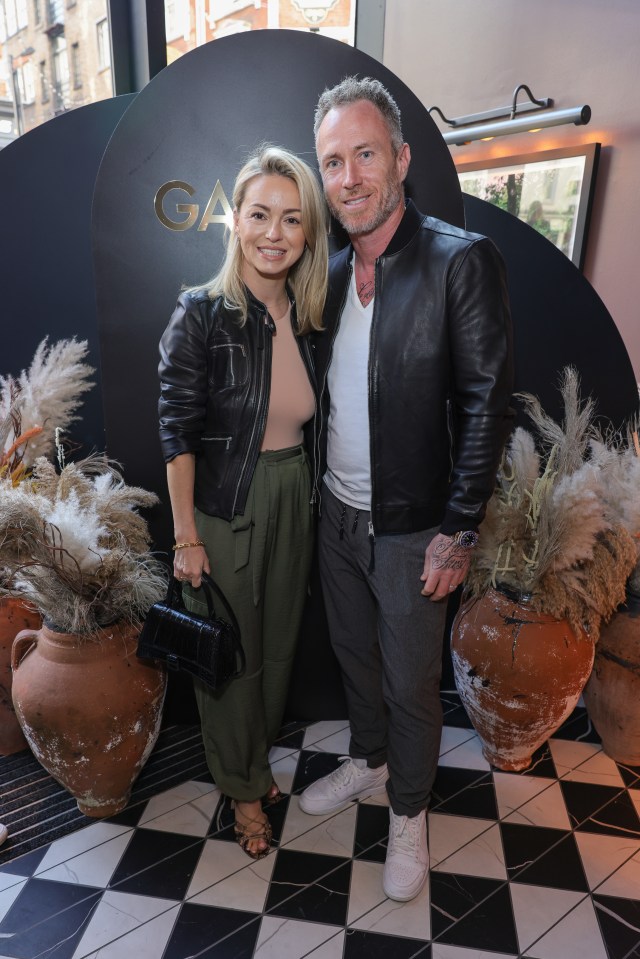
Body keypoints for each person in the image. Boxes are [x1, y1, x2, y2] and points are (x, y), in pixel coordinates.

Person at [299, 77, 514, 901]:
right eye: (332, 161)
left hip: (415, 528)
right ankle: (367, 757)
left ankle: (410, 813)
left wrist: (457, 530)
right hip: (338, 515)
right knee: (356, 659)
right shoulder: (325, 269)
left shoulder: (459, 261)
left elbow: (487, 402)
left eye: (363, 154)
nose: (348, 176)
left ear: (400, 158)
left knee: (409, 683)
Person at [158, 144, 328, 860]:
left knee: (279, 648)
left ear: (307, 233)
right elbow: (177, 431)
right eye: (260, 213)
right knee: (233, 659)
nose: (274, 232)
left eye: (292, 219)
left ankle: (254, 764)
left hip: (296, 493)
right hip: (226, 506)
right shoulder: (199, 314)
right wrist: (185, 534)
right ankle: (243, 788)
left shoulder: (312, 316)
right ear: (236, 220)